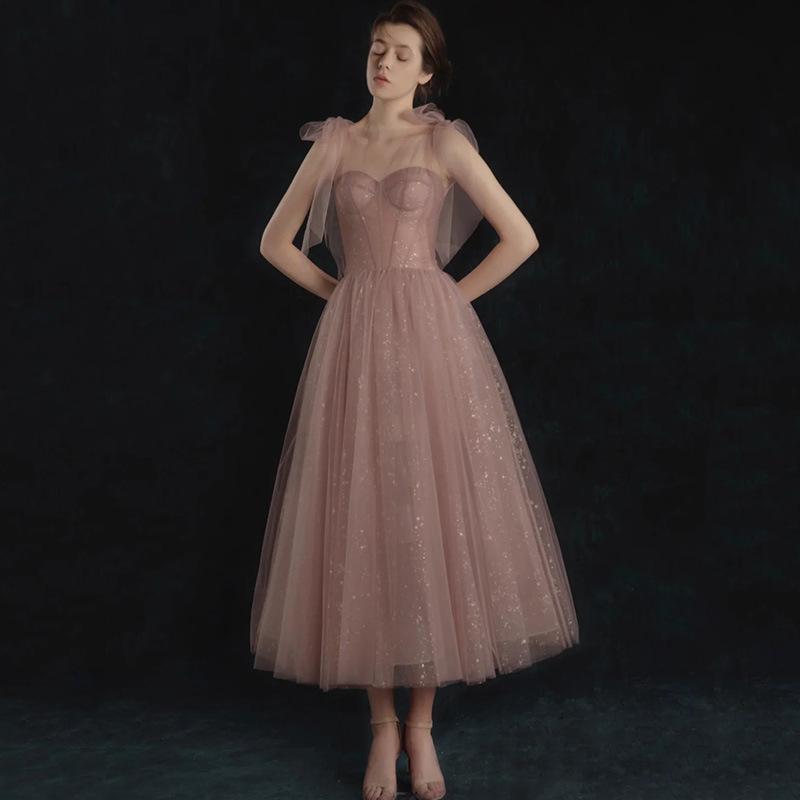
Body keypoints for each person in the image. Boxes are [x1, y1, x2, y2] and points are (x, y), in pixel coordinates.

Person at [249, 2, 580, 798]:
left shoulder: (442, 144)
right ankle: (381, 727)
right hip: (356, 346)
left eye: (401, 53)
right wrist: (344, 295)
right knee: (360, 514)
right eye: (377, 49)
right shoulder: (335, 143)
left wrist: (446, 300)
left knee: (425, 512)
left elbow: (521, 236)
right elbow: (273, 242)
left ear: (427, 71)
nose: (384, 63)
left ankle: (422, 728)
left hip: (432, 348)